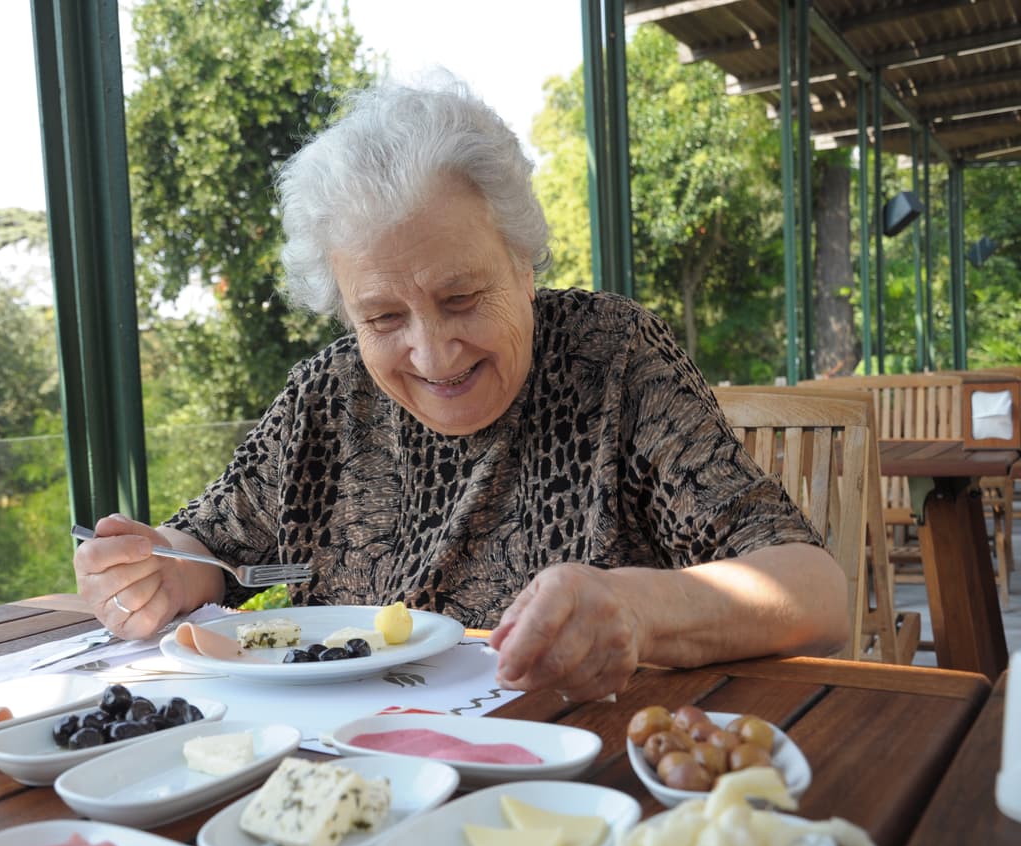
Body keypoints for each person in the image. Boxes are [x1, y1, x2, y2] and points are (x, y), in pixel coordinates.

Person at [73, 75, 848, 702]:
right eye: (381, 315)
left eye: (462, 298)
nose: (432, 351)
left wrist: (641, 609)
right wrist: (157, 572)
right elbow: (210, 552)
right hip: (343, 779)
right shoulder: (325, 396)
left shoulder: (608, 358)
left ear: (523, 260)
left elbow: (814, 594)